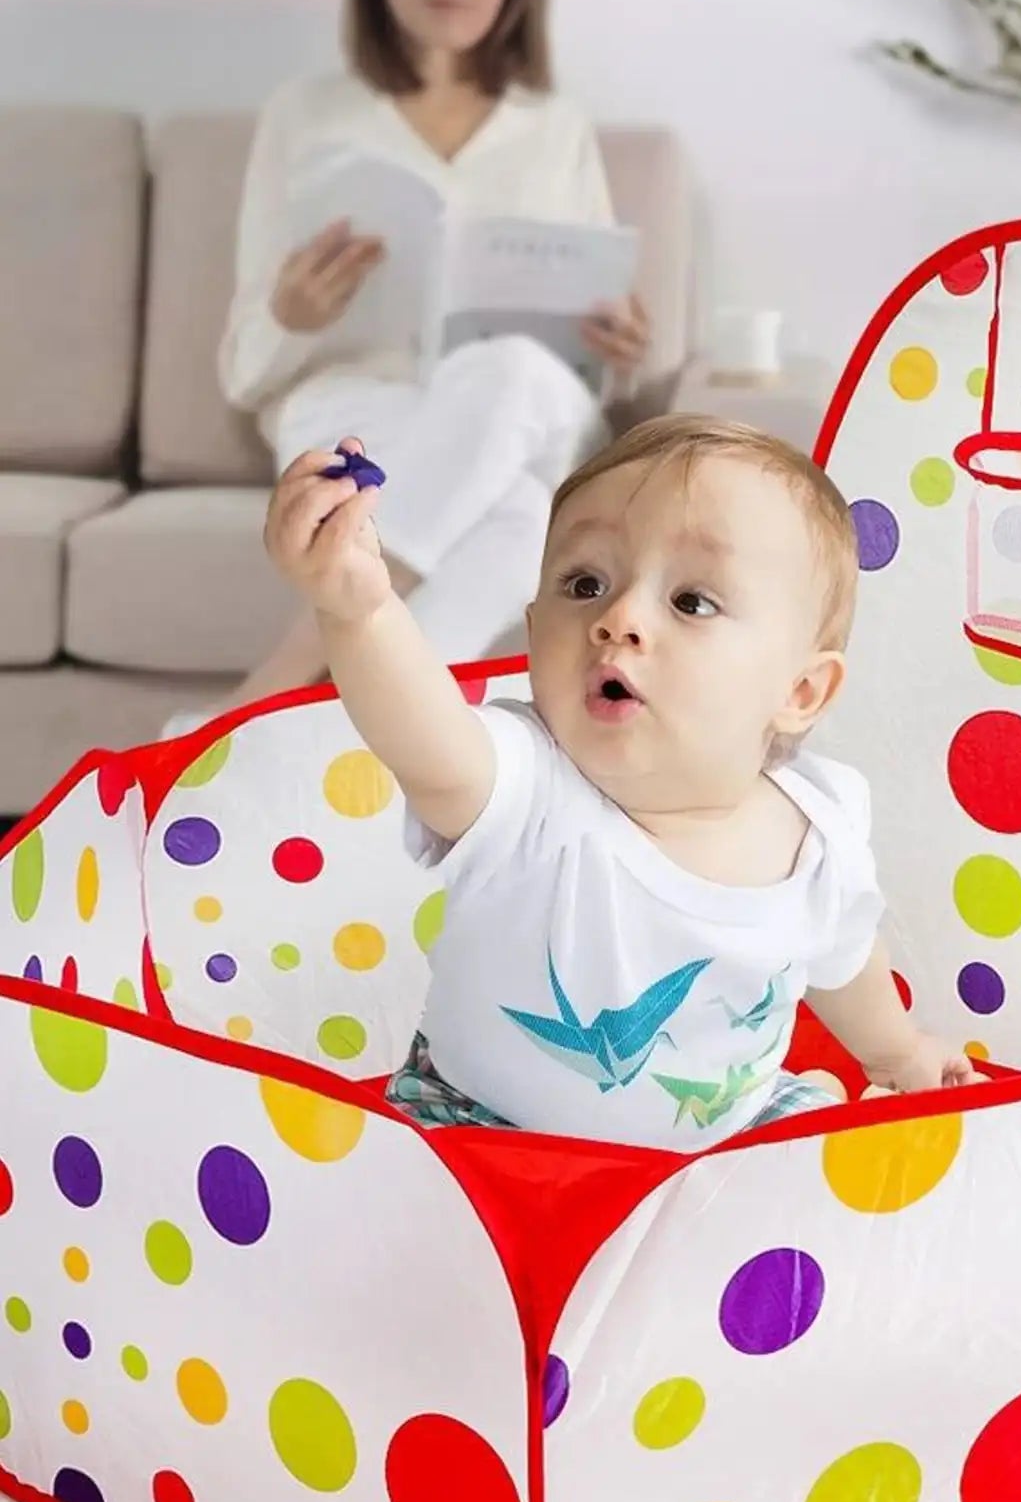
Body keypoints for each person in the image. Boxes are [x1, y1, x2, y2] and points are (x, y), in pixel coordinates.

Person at [263, 412, 979, 1150]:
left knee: (812, 1176)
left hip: (719, 1143)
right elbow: (423, 736)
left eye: (692, 601)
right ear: (535, 635)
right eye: (585, 582)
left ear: (800, 691)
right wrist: (360, 610)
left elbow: (844, 957)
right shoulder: (526, 787)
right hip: (480, 1129)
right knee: (395, 1209)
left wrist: (896, 1052)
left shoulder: (819, 832)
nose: (620, 616)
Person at [168, 0, 649, 735]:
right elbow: (245, 368)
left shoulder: (556, 129)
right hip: (357, 414)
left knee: (514, 375)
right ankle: (342, 737)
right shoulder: (306, 114)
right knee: (528, 520)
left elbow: (581, 377)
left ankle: (286, 679)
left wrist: (619, 348)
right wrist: (292, 313)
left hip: (519, 403)